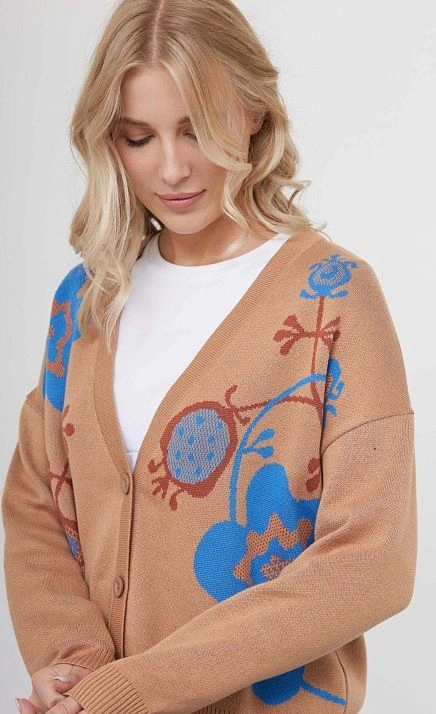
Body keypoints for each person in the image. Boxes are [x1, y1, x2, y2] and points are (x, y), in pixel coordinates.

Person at [2, 1, 417, 713]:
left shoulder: (333, 298)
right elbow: (36, 503)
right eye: (138, 137)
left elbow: (371, 559)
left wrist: (138, 690)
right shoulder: (87, 303)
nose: (171, 167)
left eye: (197, 128)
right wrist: (74, 668)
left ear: (253, 113)